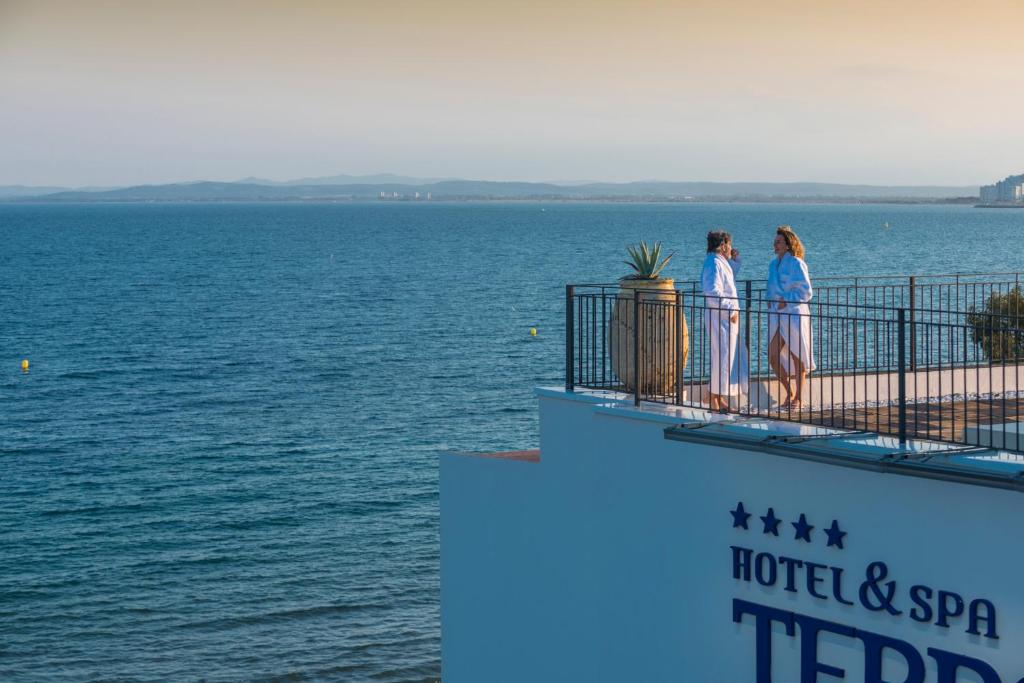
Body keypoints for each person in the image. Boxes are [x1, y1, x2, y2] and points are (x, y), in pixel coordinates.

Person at [766, 225, 815, 410]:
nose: (775, 245)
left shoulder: (796, 263)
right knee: (772, 356)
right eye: (775, 242)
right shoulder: (773, 264)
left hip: (794, 315)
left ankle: (798, 398)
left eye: (778, 242)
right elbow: (771, 288)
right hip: (776, 316)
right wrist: (770, 301)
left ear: (788, 244)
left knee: (797, 356)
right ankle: (789, 392)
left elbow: (806, 292)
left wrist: (786, 301)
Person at [701, 230, 748, 412]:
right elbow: (712, 292)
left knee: (726, 358)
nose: (731, 248)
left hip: (726, 319)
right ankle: (714, 400)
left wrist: (735, 261)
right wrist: (731, 310)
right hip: (721, 318)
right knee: (721, 357)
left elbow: (728, 279)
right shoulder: (713, 263)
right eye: (729, 245)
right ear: (722, 246)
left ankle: (719, 398)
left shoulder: (719, 262)